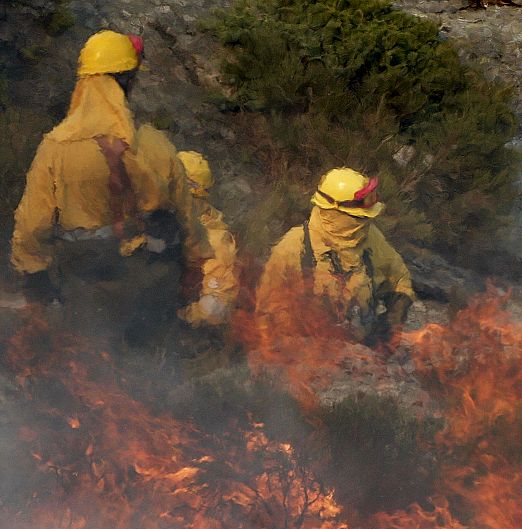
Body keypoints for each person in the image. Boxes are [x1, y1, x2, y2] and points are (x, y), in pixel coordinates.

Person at [10, 30, 216, 344]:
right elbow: (187, 219)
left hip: (86, 287)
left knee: (92, 362)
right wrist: (194, 267)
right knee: (153, 361)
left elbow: (32, 225)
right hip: (151, 285)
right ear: (127, 83)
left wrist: (34, 275)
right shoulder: (155, 144)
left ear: (83, 85)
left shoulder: (55, 148)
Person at [255, 167, 415, 345]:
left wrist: (395, 316)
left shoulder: (371, 238)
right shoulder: (293, 247)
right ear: (335, 211)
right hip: (305, 351)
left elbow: (399, 277)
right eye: (358, 217)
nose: (364, 223)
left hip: (359, 350)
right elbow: (266, 313)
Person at [176, 150, 240, 326]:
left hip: (189, 324)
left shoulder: (216, 242)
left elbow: (214, 307)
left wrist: (181, 315)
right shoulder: (175, 219)